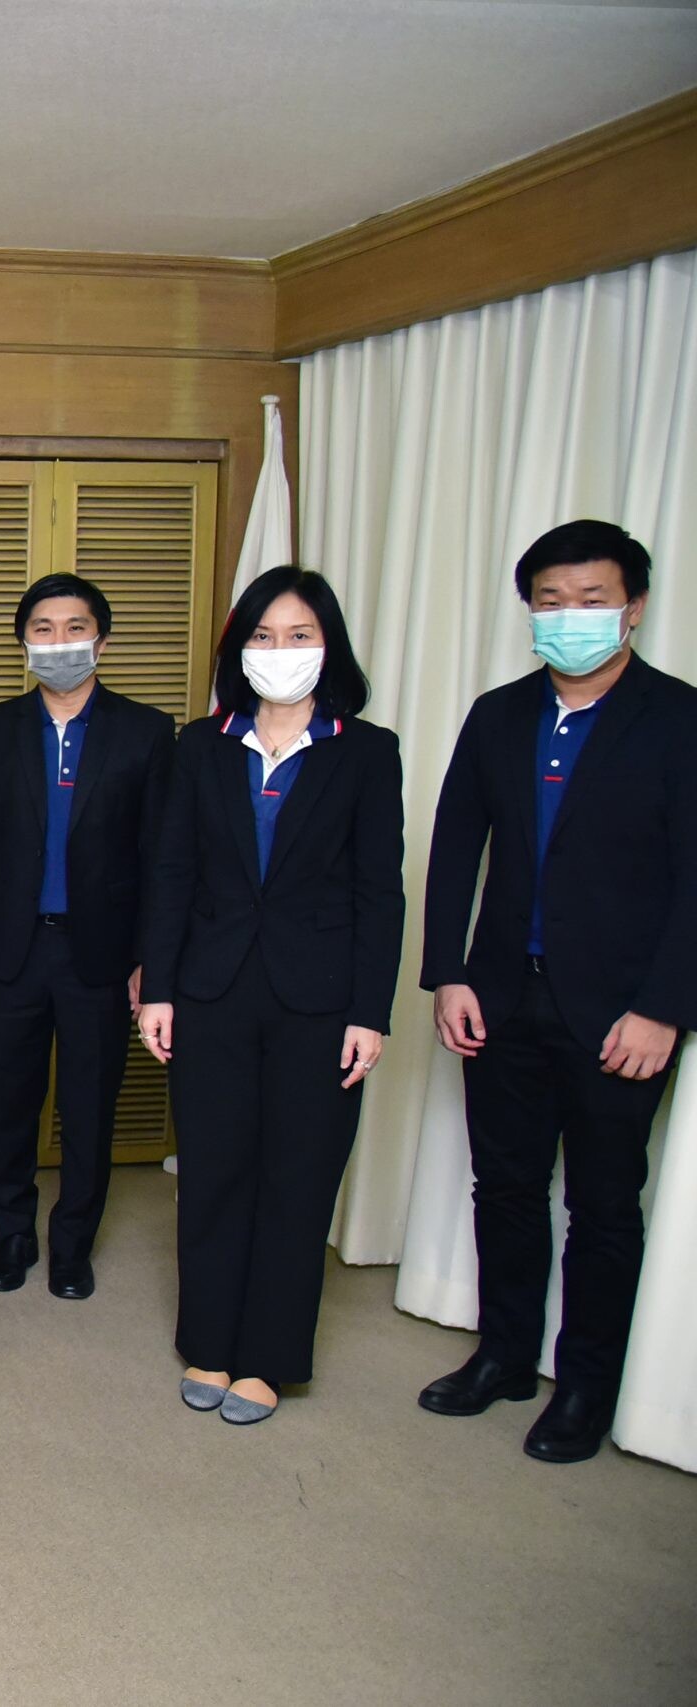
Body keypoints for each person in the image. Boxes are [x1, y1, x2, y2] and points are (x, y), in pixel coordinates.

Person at [417, 519, 696, 1463]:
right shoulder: (498, 714)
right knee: (503, 1184)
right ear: (527, 609)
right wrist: (447, 971)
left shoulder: (679, 719)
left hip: (621, 1010)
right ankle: (502, 1356)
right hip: (500, 994)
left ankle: (584, 1387)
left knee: (605, 1205)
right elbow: (456, 845)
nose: (570, 617)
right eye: (551, 601)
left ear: (634, 608)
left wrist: (665, 1005)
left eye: (591, 600)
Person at [138, 566, 403, 1425]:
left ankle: (268, 1357)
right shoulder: (200, 744)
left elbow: (380, 892)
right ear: (237, 648)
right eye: (262, 636)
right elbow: (170, 873)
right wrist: (160, 988)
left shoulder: (367, 750)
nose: (279, 652)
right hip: (211, 989)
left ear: (328, 648)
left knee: (298, 1177)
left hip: (319, 1001)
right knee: (213, 1171)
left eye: (298, 636)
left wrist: (371, 1011)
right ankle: (209, 1341)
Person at [0, 574, 173, 1300]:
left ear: (102, 638)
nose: (59, 641)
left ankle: (73, 1242)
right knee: (9, 1102)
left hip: (101, 957)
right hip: (11, 949)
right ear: (24, 642)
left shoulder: (148, 730)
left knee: (89, 1106)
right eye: (42, 628)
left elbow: (161, 857)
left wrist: (150, 963)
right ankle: (12, 1234)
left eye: (75, 626)